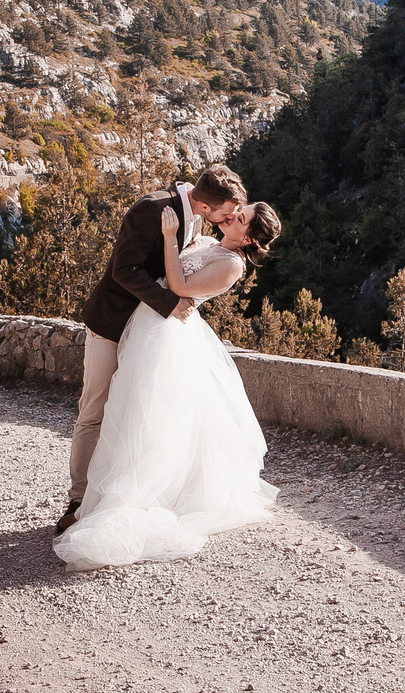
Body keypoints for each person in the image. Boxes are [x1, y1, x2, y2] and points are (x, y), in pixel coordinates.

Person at [53, 197, 285, 572]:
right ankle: (87, 499)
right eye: (235, 211)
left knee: (145, 418)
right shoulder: (212, 246)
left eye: (239, 219)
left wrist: (170, 235)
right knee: (122, 413)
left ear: (246, 238)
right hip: (147, 323)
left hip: (163, 335)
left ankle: (127, 500)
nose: (230, 217)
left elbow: (178, 285)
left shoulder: (229, 265)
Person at [59, 163, 250, 535]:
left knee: (136, 417)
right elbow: (124, 271)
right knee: (95, 411)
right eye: (228, 212)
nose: (230, 218)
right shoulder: (152, 209)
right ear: (208, 207)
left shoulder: (198, 221)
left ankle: (115, 496)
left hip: (149, 338)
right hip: (114, 324)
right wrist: (168, 303)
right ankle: (79, 500)